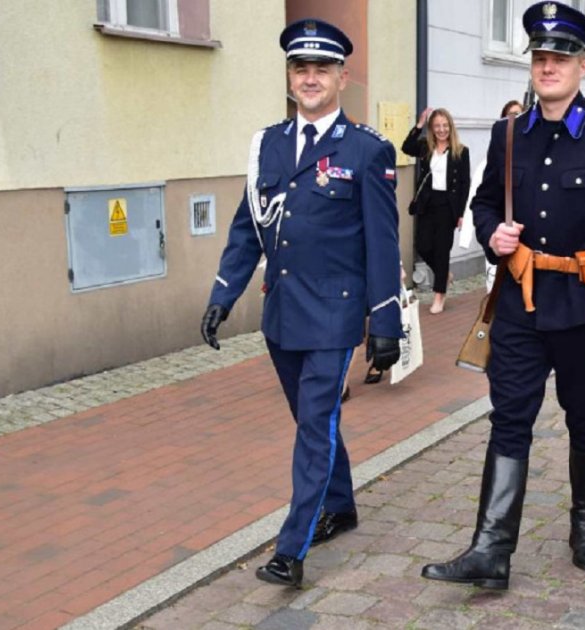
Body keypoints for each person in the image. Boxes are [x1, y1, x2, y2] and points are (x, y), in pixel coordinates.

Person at [421, 1, 585, 590]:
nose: (548, 66)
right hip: (521, 302)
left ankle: (584, 522)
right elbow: (485, 203)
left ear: (582, 65)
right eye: (541, 57)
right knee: (510, 420)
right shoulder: (507, 134)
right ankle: (491, 550)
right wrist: (493, 231)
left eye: (560, 57)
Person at [199, 18, 402, 587]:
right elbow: (249, 226)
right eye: (300, 68)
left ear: (342, 76)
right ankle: (342, 504)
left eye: (322, 69)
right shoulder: (267, 144)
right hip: (281, 313)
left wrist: (386, 322)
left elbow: (382, 243)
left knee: (314, 424)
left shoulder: (366, 150)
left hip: (335, 315)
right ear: (289, 77)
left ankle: (291, 549)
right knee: (314, 420)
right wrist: (223, 292)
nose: (310, 78)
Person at [402, 107, 471, 314]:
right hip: (427, 203)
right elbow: (406, 147)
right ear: (432, 128)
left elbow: (464, 184)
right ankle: (444, 274)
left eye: (444, 125)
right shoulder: (425, 147)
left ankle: (439, 296)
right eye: (437, 126)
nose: (441, 130)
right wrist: (419, 124)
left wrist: (461, 214)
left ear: (450, 126)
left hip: (448, 206)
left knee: (442, 250)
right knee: (423, 246)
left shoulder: (461, 151)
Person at [463, 100, 526, 293]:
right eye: (509, 116)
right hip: (506, 254)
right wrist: (491, 235)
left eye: (518, 114)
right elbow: (480, 199)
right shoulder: (496, 153)